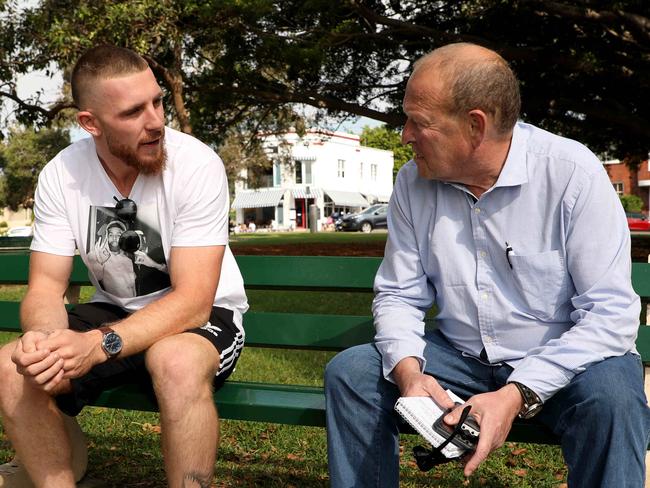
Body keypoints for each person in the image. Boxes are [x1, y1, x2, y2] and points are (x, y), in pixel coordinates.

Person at [325, 42, 650, 487]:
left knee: (613, 397)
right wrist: (409, 373)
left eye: (418, 122)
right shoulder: (412, 183)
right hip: (458, 356)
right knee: (352, 374)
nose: (404, 136)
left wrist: (515, 395)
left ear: (475, 125)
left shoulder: (572, 174)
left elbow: (610, 316)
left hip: (566, 359)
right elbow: (399, 294)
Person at [0, 45, 248, 488]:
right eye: (133, 112)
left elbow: (193, 303)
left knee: (175, 361)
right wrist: (44, 341)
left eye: (156, 101)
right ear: (90, 123)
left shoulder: (196, 164)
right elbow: (45, 288)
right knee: (13, 365)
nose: (155, 121)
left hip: (201, 319)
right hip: (113, 310)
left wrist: (94, 347)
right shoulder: (62, 174)